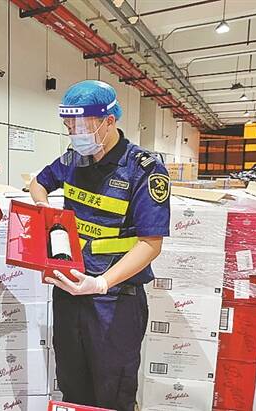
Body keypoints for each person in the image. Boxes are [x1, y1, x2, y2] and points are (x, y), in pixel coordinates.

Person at [30, 80, 170, 410]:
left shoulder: (143, 169)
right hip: (69, 293)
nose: (74, 134)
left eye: (81, 126)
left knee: (112, 393)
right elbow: (37, 184)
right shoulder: (74, 160)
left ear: (109, 121)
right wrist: (45, 210)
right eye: (69, 127)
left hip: (114, 301)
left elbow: (150, 244)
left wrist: (100, 283)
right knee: (72, 386)